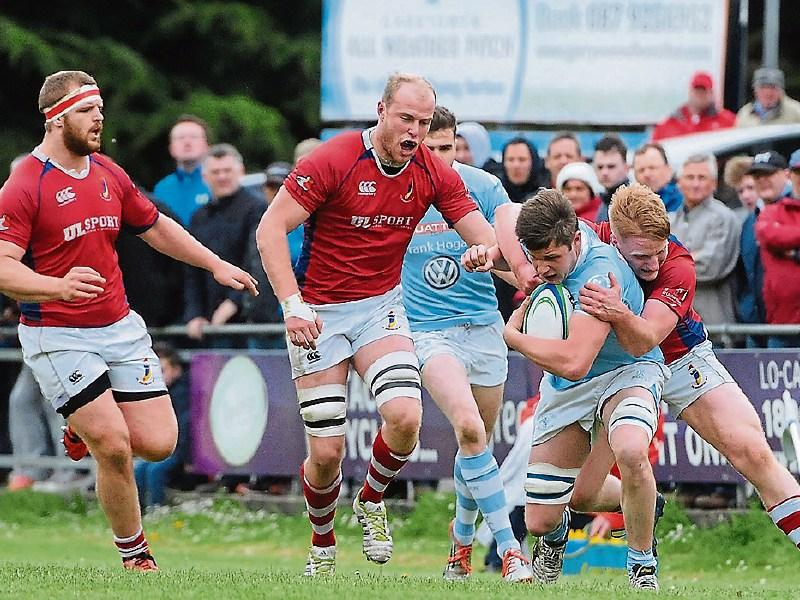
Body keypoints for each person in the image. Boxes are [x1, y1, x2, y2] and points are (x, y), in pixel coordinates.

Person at [0, 70, 258, 571]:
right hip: (57, 332)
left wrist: (215, 264)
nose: (99, 119)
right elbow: (3, 267)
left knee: (159, 443)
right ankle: (136, 557)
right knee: (115, 447)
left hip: (119, 327)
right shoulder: (24, 185)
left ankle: (81, 425)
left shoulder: (108, 172)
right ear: (56, 119)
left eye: (100, 109)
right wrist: (56, 286)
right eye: (86, 111)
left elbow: (156, 227)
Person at [255, 72, 499, 576]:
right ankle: (323, 542)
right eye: (406, 119)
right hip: (318, 312)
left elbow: (484, 234)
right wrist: (292, 304)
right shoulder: (334, 158)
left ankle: (371, 500)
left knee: (406, 418)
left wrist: (485, 250)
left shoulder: (431, 169)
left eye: (424, 122)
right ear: (381, 110)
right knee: (326, 452)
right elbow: (270, 228)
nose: (414, 132)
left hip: (379, 308)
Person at [571, 183, 800, 553]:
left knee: (754, 454)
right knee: (579, 495)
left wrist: (616, 311)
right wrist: (494, 254)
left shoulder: (678, 264)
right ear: (613, 238)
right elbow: (526, 233)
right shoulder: (586, 241)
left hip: (679, 359)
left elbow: (643, 339)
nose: (654, 263)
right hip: (615, 370)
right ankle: (648, 501)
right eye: (642, 256)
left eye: (658, 250)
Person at [490, 190, 668, 590]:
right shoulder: (543, 238)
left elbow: (574, 362)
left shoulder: (598, 274)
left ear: (575, 242)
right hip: (569, 390)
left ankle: (642, 566)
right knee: (547, 515)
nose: (544, 269)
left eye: (551, 260)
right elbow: (504, 211)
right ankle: (633, 505)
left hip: (628, 371)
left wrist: (513, 337)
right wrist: (513, 263)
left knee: (631, 448)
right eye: (536, 259)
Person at [406, 106, 531, 582]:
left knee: (475, 442)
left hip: (483, 327)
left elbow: (513, 265)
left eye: (447, 148)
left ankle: (459, 542)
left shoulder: (483, 187)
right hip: (427, 330)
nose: (437, 158)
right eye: (428, 149)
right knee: (470, 428)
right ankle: (509, 549)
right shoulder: (401, 189)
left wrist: (493, 256)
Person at [183, 144, 265, 345]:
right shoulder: (199, 217)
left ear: (241, 171)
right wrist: (194, 313)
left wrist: (233, 302)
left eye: (227, 171)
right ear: (204, 177)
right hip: (210, 322)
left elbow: (256, 261)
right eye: (215, 172)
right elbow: (191, 269)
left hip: (251, 318)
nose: (222, 177)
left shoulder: (257, 208)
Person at [669, 154, 741, 332]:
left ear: (714, 183)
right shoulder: (670, 220)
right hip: (677, 324)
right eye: (690, 177)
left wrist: (669, 262)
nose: (695, 184)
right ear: (679, 182)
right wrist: (689, 258)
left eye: (702, 178)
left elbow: (710, 266)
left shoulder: (723, 217)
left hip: (715, 324)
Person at [134, 342, 190, 509]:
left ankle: (157, 509)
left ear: (176, 369)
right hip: (164, 449)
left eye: (162, 370)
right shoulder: (162, 393)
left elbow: (186, 428)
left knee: (154, 471)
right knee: (139, 469)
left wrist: (187, 458)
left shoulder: (184, 394)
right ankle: (139, 512)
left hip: (179, 452)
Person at [755, 148, 800, 348]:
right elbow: (770, 234)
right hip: (781, 325)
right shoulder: (772, 211)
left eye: (769, 174)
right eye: (799, 172)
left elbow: (779, 236)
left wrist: (792, 249)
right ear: (791, 174)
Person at [153, 114, 211, 226]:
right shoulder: (162, 188)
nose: (187, 143)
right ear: (171, 148)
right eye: (180, 138)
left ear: (206, 145)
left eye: (193, 137)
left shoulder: (218, 183)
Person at [651, 71, 735, 141]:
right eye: (697, 91)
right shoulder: (669, 124)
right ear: (690, 91)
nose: (699, 95)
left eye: (704, 92)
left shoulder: (727, 121)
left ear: (711, 93)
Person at [736, 67, 800, 127]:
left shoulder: (796, 111)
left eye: (773, 87)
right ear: (755, 90)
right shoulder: (745, 113)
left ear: (781, 90)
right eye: (762, 87)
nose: (768, 93)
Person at [632, 143, 683, 212]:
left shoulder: (685, 200)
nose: (647, 174)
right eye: (641, 170)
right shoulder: (631, 206)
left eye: (652, 168)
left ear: (668, 169)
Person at [593, 134, 630, 223]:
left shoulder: (633, 204)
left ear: (626, 168)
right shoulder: (603, 203)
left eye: (611, 166)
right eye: (600, 167)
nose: (604, 172)